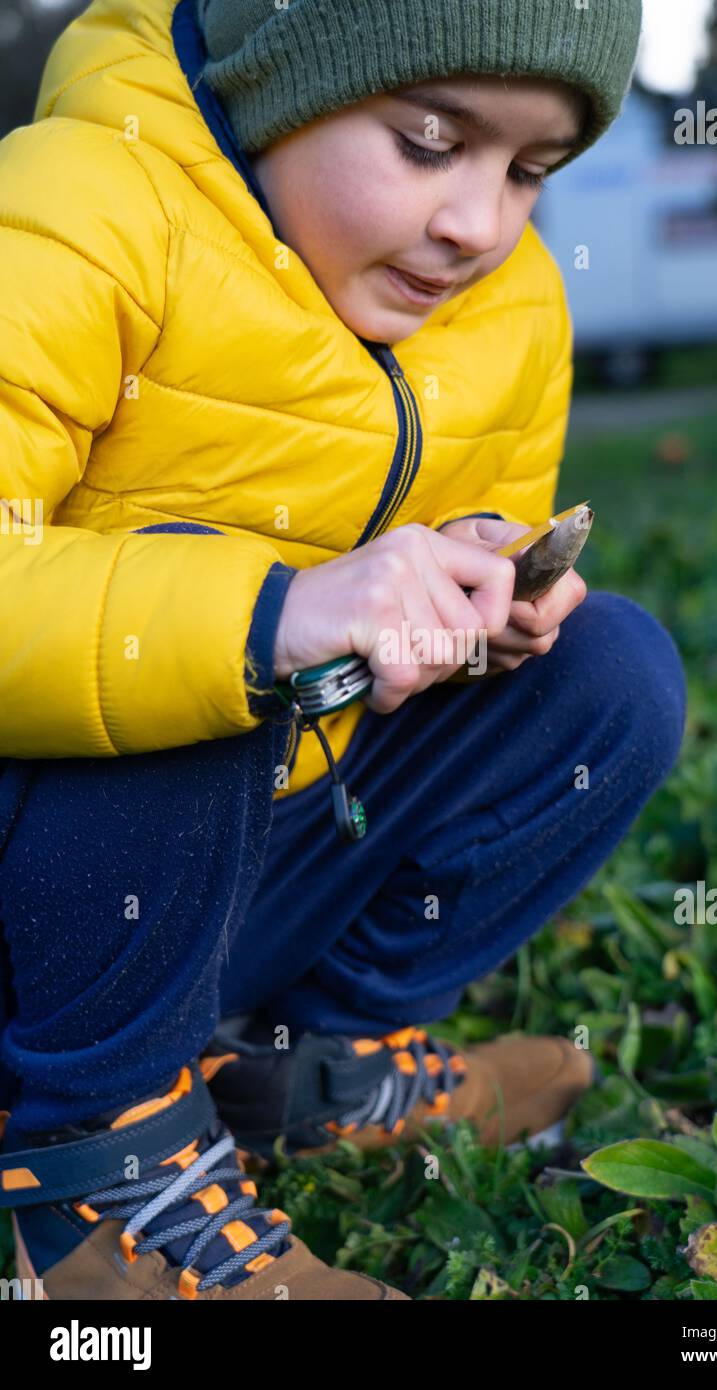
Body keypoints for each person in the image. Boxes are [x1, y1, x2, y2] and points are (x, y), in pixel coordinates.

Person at [0, 0, 680, 1302]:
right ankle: (102, 1182)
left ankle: (292, 1068)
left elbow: (396, 639)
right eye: (430, 140)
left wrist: (475, 609)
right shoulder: (75, 208)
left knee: (609, 673)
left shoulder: (508, 300)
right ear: (279, 74)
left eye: (529, 170)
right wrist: (270, 612)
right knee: (187, 637)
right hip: (33, 914)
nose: (478, 223)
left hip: (237, 873)